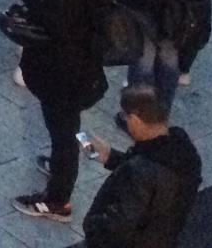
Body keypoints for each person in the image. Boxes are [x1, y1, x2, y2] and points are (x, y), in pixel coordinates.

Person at [12, 0, 113, 223]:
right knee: (65, 126)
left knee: (63, 130)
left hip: (65, 65)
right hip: (85, 55)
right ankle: (59, 163)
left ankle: (57, 201)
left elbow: (55, 18)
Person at [78, 82, 202, 248]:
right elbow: (157, 182)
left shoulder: (140, 172)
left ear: (135, 120)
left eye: (126, 116)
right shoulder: (183, 151)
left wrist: (92, 226)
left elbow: (120, 224)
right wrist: (111, 158)